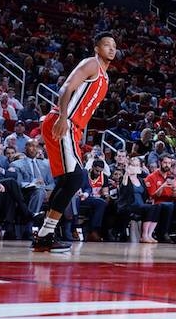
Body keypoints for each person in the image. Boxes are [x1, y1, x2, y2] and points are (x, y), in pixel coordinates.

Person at [32, 31, 116, 253]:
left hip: (73, 127)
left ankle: (44, 230)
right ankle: (45, 232)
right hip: (63, 121)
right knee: (76, 178)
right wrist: (62, 117)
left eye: (114, 46)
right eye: (107, 45)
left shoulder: (106, 78)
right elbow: (66, 87)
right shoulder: (91, 64)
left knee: (65, 180)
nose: (112, 49)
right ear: (97, 48)